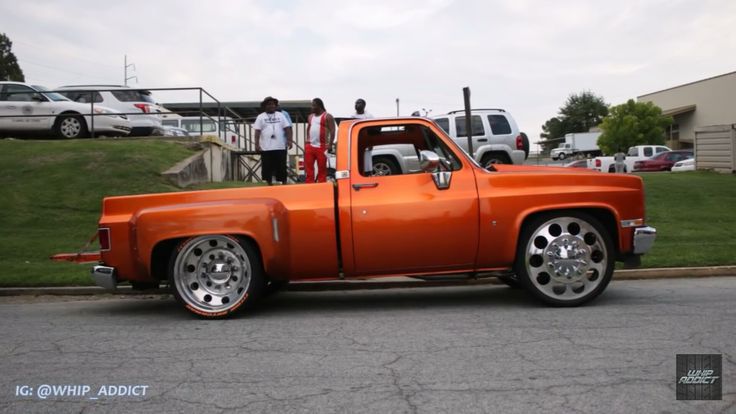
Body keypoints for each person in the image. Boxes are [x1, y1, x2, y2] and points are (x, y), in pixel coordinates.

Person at [254, 96, 293, 185]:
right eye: (268, 104)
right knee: (267, 166)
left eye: (273, 104)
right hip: (266, 147)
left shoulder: (281, 115)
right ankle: (269, 182)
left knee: (281, 165)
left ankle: (284, 182)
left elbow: (287, 128)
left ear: (275, 106)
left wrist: (290, 140)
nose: (271, 106)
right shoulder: (260, 117)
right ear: (264, 106)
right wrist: (256, 144)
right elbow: (257, 131)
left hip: (280, 145)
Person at [305, 98, 336, 183]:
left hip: (322, 147)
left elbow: (333, 130)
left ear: (319, 106)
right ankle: (309, 185)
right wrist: (307, 140)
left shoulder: (327, 116)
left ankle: (321, 185)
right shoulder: (310, 116)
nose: (311, 107)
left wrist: (330, 144)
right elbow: (308, 128)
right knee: (308, 168)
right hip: (310, 146)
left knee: (322, 168)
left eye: (313, 105)